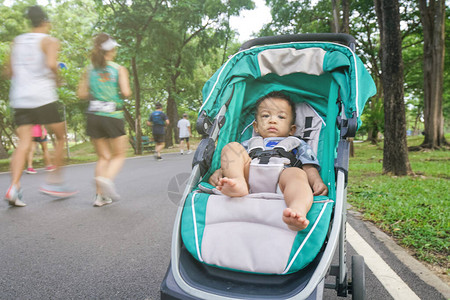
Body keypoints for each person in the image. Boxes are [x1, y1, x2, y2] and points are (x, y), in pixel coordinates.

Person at [209, 91, 328, 231]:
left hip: (282, 178)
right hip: (249, 176)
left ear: (292, 129)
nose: (272, 120)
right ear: (256, 127)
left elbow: (309, 167)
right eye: (265, 116)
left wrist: (317, 181)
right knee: (231, 147)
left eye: (281, 117)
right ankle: (238, 183)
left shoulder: (297, 143)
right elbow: (235, 160)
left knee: (297, 174)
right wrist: (221, 171)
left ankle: (297, 209)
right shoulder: (249, 143)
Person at [3, 5, 77, 207]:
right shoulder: (49, 41)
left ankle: (14, 187)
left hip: (20, 98)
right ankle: (55, 182)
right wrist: (57, 79)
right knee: (60, 136)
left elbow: (8, 71)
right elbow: (52, 65)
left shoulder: (17, 42)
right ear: (45, 22)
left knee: (24, 142)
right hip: (43, 97)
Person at [77, 33, 131, 207]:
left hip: (93, 115)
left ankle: (100, 197)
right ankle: (105, 180)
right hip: (112, 115)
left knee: (103, 157)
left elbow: (82, 94)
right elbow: (126, 92)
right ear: (111, 50)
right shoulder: (118, 69)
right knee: (119, 154)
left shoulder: (89, 69)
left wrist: (97, 90)